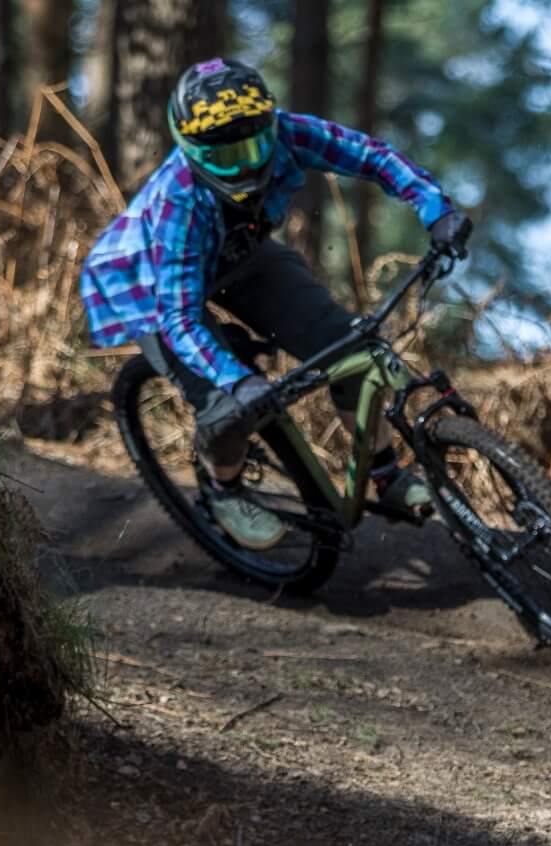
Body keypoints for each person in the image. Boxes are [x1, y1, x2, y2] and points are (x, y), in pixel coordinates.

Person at [80, 58, 471, 551]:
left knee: (347, 347)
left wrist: (436, 207)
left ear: (271, 124)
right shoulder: (178, 200)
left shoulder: (289, 131)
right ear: (192, 151)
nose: (245, 165)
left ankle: (387, 477)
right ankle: (223, 490)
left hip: (235, 252)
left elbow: (369, 155)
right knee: (228, 404)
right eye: (226, 156)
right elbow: (177, 316)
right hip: (149, 285)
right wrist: (237, 382)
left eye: (255, 145)